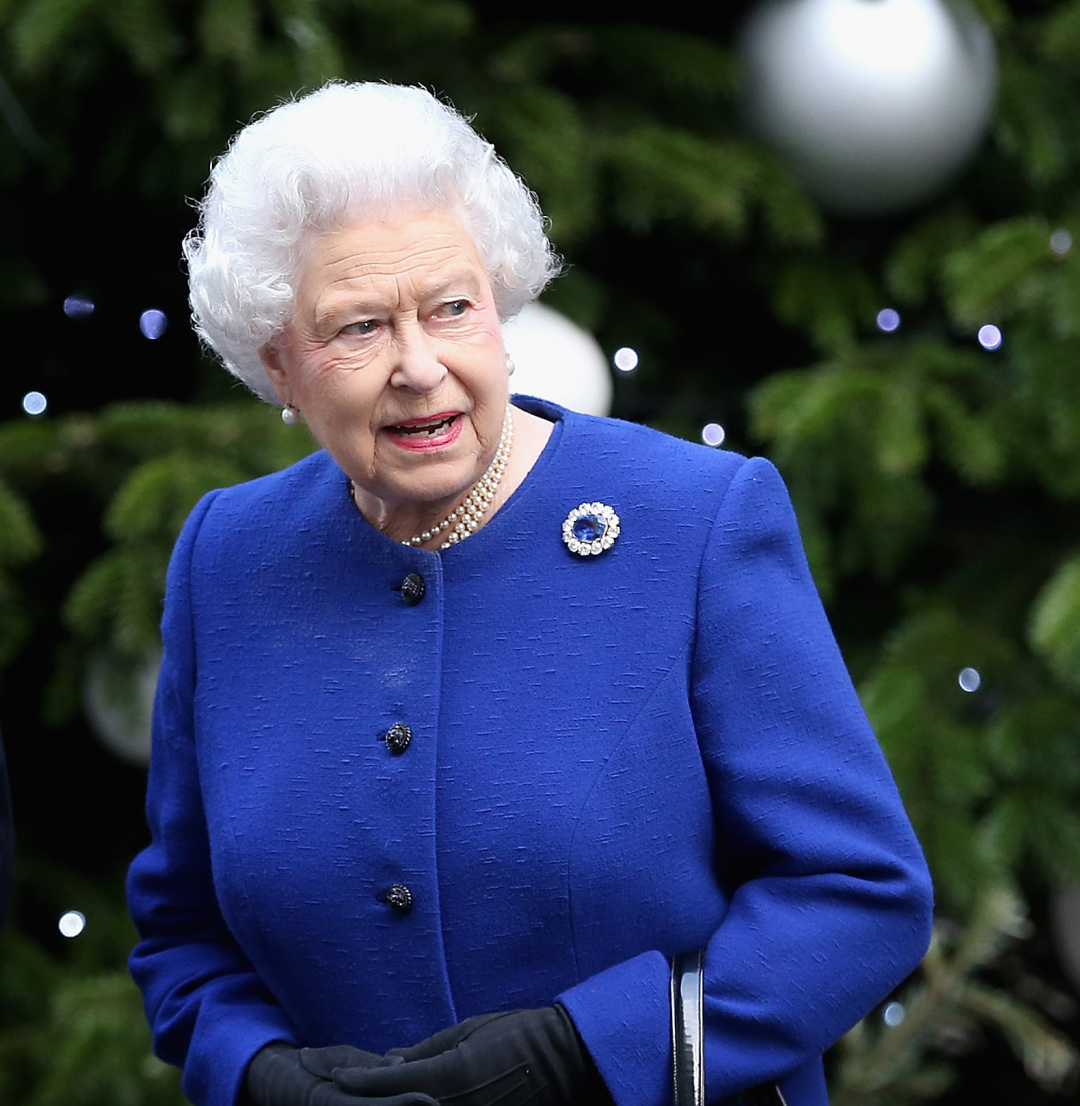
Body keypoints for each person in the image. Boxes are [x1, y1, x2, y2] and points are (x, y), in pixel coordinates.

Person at [126, 82, 933, 1106]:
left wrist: (593, 1050)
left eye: (452, 306)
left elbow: (860, 894)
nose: (420, 366)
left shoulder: (694, 519)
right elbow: (182, 930)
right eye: (360, 327)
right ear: (280, 362)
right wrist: (254, 1071)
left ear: (502, 304)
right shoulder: (227, 557)